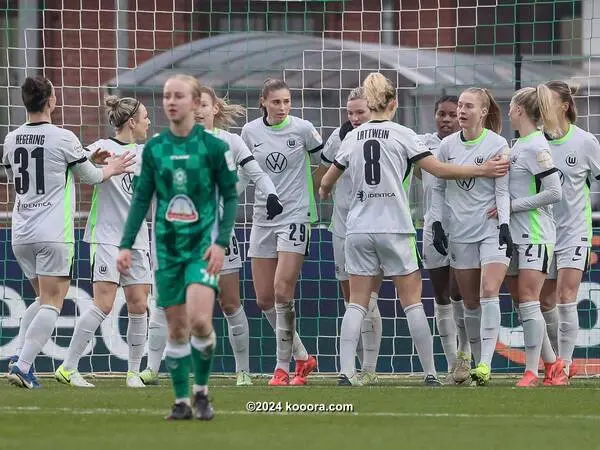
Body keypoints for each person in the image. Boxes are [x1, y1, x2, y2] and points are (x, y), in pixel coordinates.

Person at [319, 73, 509, 386]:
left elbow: (328, 179)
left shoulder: (352, 137)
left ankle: (346, 371)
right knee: (412, 303)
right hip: (394, 227)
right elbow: (439, 170)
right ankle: (431, 374)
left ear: (370, 103)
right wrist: (482, 169)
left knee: (357, 302)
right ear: (393, 103)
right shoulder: (403, 134)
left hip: (358, 229)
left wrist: (326, 190)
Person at [139, 85, 284, 387]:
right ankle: (151, 368)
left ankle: (242, 371)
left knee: (230, 303)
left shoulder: (231, 141)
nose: (199, 110)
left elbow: (256, 172)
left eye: (204, 105)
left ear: (215, 108)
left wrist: (270, 194)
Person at [117, 74, 238, 420]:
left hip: (202, 249)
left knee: (200, 321)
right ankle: (182, 400)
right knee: (176, 329)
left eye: (179, 96)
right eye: (167, 96)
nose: (171, 102)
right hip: (166, 251)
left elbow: (230, 197)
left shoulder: (215, 148)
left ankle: (201, 392)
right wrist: (126, 244)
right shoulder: (155, 148)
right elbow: (141, 199)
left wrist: (221, 242)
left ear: (196, 101)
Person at [5, 76, 134, 389]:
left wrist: (86, 158)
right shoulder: (63, 137)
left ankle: (19, 357)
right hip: (52, 232)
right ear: (51, 101)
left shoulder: (11, 139)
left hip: (21, 231)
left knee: (42, 298)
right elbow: (89, 177)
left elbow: (18, 175)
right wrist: (112, 168)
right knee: (53, 301)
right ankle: (23, 365)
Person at [54, 95, 152, 388]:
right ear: (132, 122)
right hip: (107, 238)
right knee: (104, 304)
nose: (148, 121)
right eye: (145, 116)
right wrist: (91, 163)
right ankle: (68, 368)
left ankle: (133, 372)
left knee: (139, 304)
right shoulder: (100, 147)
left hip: (138, 240)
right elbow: (71, 169)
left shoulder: (149, 153)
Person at [241, 78, 321, 386]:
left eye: (287, 101)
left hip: (295, 218)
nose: (283, 108)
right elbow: (245, 173)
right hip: (262, 219)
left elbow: (323, 160)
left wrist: (325, 188)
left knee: (282, 292)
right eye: (276, 102)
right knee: (263, 299)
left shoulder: (301, 129)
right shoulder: (250, 132)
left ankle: (282, 368)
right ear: (263, 102)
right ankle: (303, 356)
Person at [429, 87, 512, 386]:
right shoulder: (448, 146)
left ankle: (486, 365)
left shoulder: (498, 143)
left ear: (483, 111)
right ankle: (474, 360)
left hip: (490, 230)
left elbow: (502, 190)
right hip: (461, 233)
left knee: (490, 290)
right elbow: (438, 188)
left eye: (468, 107)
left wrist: (504, 224)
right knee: (470, 301)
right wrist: (437, 223)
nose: (461, 111)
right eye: (460, 106)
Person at [313, 87, 382, 385]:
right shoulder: (338, 137)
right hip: (342, 228)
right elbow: (321, 174)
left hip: (378, 227)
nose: (354, 118)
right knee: (351, 301)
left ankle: (368, 368)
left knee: (370, 300)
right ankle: (351, 367)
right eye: (350, 112)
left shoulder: (388, 135)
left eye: (360, 112)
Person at [538, 81, 600, 385]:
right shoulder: (535, 142)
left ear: (564, 105)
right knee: (543, 303)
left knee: (565, 297)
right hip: (542, 232)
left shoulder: (586, 142)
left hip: (575, 231)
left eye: (548, 100)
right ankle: (557, 361)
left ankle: (563, 365)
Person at [503, 86, 563, 387]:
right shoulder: (518, 144)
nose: (508, 112)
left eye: (511, 107)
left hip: (535, 233)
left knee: (529, 300)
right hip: (512, 234)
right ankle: (553, 366)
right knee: (521, 301)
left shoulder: (536, 146)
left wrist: (513, 206)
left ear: (520, 111)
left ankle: (531, 371)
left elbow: (555, 191)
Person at [414, 96, 471, 384]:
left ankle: (465, 355)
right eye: (442, 114)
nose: (447, 119)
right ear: (435, 116)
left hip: (465, 228)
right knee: (441, 296)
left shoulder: (468, 144)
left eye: (452, 114)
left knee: (460, 292)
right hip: (431, 227)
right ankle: (452, 366)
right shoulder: (422, 144)